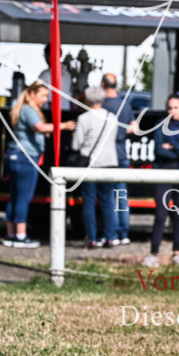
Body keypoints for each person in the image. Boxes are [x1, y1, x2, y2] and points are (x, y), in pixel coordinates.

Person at [4, 81, 75, 247]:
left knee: (14, 197)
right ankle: (21, 236)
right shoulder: (29, 109)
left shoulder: (22, 108)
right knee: (23, 198)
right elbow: (39, 127)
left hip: (16, 156)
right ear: (32, 94)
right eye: (43, 95)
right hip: (25, 157)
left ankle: (11, 234)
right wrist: (62, 126)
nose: (45, 99)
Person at [143, 94, 179, 268]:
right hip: (164, 173)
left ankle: (177, 253)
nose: (172, 111)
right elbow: (159, 150)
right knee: (161, 213)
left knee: (178, 214)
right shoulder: (161, 125)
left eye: (175, 107)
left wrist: (174, 147)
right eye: (169, 108)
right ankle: (154, 254)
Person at [72, 85, 119, 248]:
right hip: (109, 162)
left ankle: (91, 237)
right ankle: (110, 236)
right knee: (108, 201)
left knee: (89, 201)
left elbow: (76, 144)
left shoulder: (84, 118)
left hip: (90, 164)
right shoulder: (112, 117)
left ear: (88, 99)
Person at [100, 73, 136, 245]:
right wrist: (121, 132)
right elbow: (134, 128)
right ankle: (124, 233)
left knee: (108, 197)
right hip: (122, 153)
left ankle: (112, 234)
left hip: (107, 155)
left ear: (102, 84)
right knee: (122, 196)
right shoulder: (125, 104)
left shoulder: (102, 105)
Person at [37, 43, 73, 112]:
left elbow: (33, 91)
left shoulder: (46, 74)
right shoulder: (68, 74)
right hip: (66, 113)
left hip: (51, 113)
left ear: (48, 56)